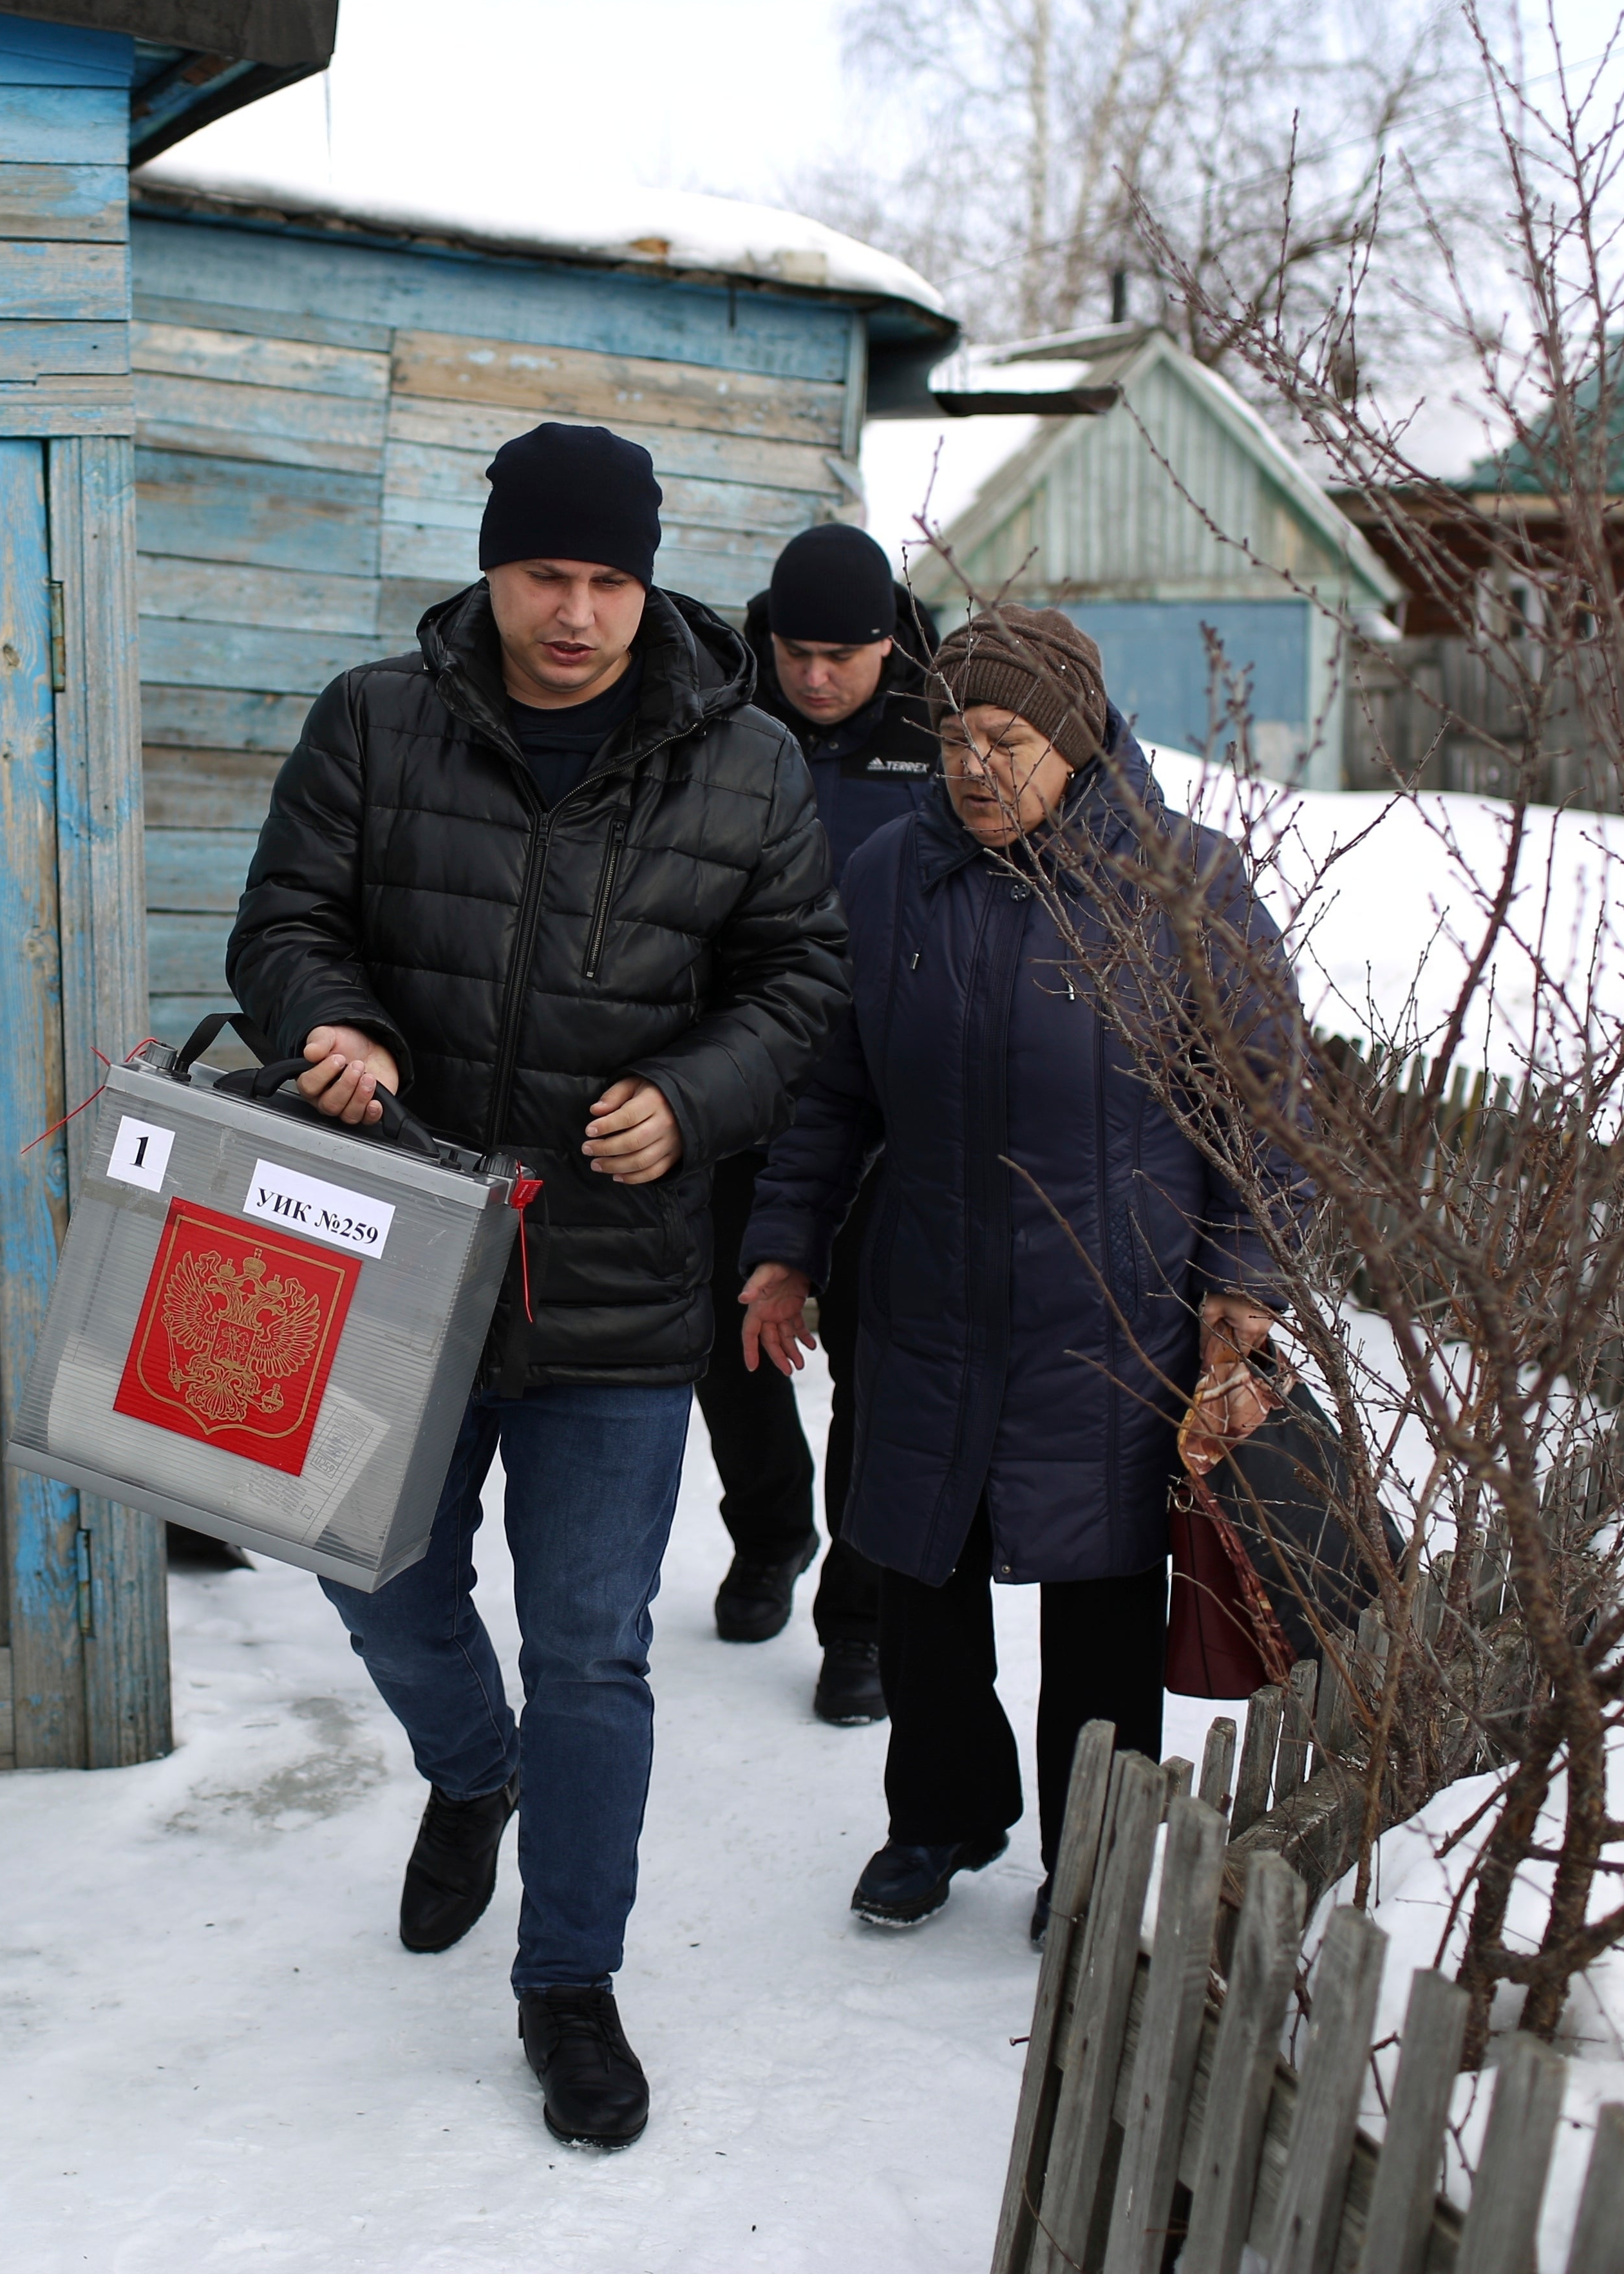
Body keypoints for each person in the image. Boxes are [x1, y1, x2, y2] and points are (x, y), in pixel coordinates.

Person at [225, 422, 848, 2148]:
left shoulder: (742, 765)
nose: (575, 615)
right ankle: (468, 1769)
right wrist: (321, 1020)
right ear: (489, 564)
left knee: (594, 1657)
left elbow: (801, 985)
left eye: (608, 582)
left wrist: (699, 1096)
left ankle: (568, 1983)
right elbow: (284, 919)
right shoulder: (376, 720)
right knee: (374, 1575)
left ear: (649, 584)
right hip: (398, 1254)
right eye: (543, 576)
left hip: (619, 1290)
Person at [736, 605, 1310, 1938]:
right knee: (919, 1570)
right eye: (952, 736)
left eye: (1006, 738)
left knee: (1102, 1603)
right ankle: (939, 1816)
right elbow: (832, 1092)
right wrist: (785, 1249)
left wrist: (1243, 1286)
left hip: (1112, 1308)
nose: (974, 765)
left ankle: (1093, 1856)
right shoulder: (888, 877)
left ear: (1079, 741)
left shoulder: (1186, 885)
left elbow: (1263, 1107)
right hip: (928, 1289)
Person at [694, 523, 941, 1729]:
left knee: (873, 1365)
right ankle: (770, 1530)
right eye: (799, 652)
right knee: (720, 1332)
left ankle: (860, 1621)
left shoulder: (945, 731)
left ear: (891, 643)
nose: (818, 678)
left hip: (886, 1105)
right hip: (738, 1077)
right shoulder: (717, 705)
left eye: (845, 657)